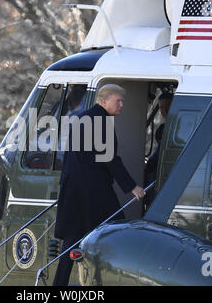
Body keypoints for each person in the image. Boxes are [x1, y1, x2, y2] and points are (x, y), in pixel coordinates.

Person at [53, 84, 145, 286]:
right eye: (118, 101)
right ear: (103, 101)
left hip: (73, 189)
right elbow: (111, 158)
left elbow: (69, 156)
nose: (121, 105)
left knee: (72, 239)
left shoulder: (81, 118)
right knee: (117, 231)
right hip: (93, 190)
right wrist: (132, 187)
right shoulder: (101, 122)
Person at [143, 91, 173, 215]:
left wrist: (145, 169)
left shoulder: (171, 130)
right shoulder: (163, 128)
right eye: (161, 107)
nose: (164, 111)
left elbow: (157, 156)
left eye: (168, 107)